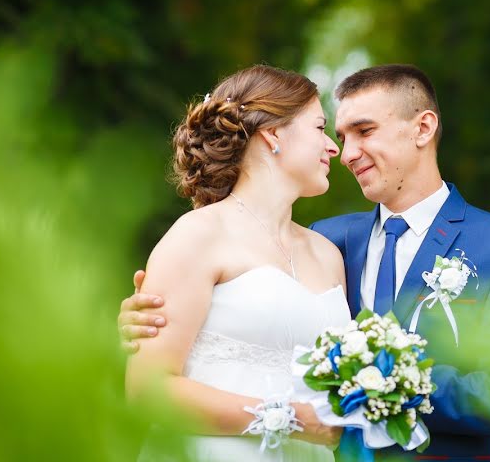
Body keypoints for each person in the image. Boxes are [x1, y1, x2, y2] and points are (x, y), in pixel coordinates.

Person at [121, 64, 490, 461]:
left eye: (364, 131)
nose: (344, 153)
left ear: (423, 128)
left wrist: (392, 385)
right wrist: (142, 318)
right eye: (337, 134)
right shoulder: (336, 239)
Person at [125, 65, 350, 462]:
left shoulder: (327, 254)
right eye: (320, 128)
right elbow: (148, 390)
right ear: (274, 135)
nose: (333, 147)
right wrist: (289, 418)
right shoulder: (197, 235)